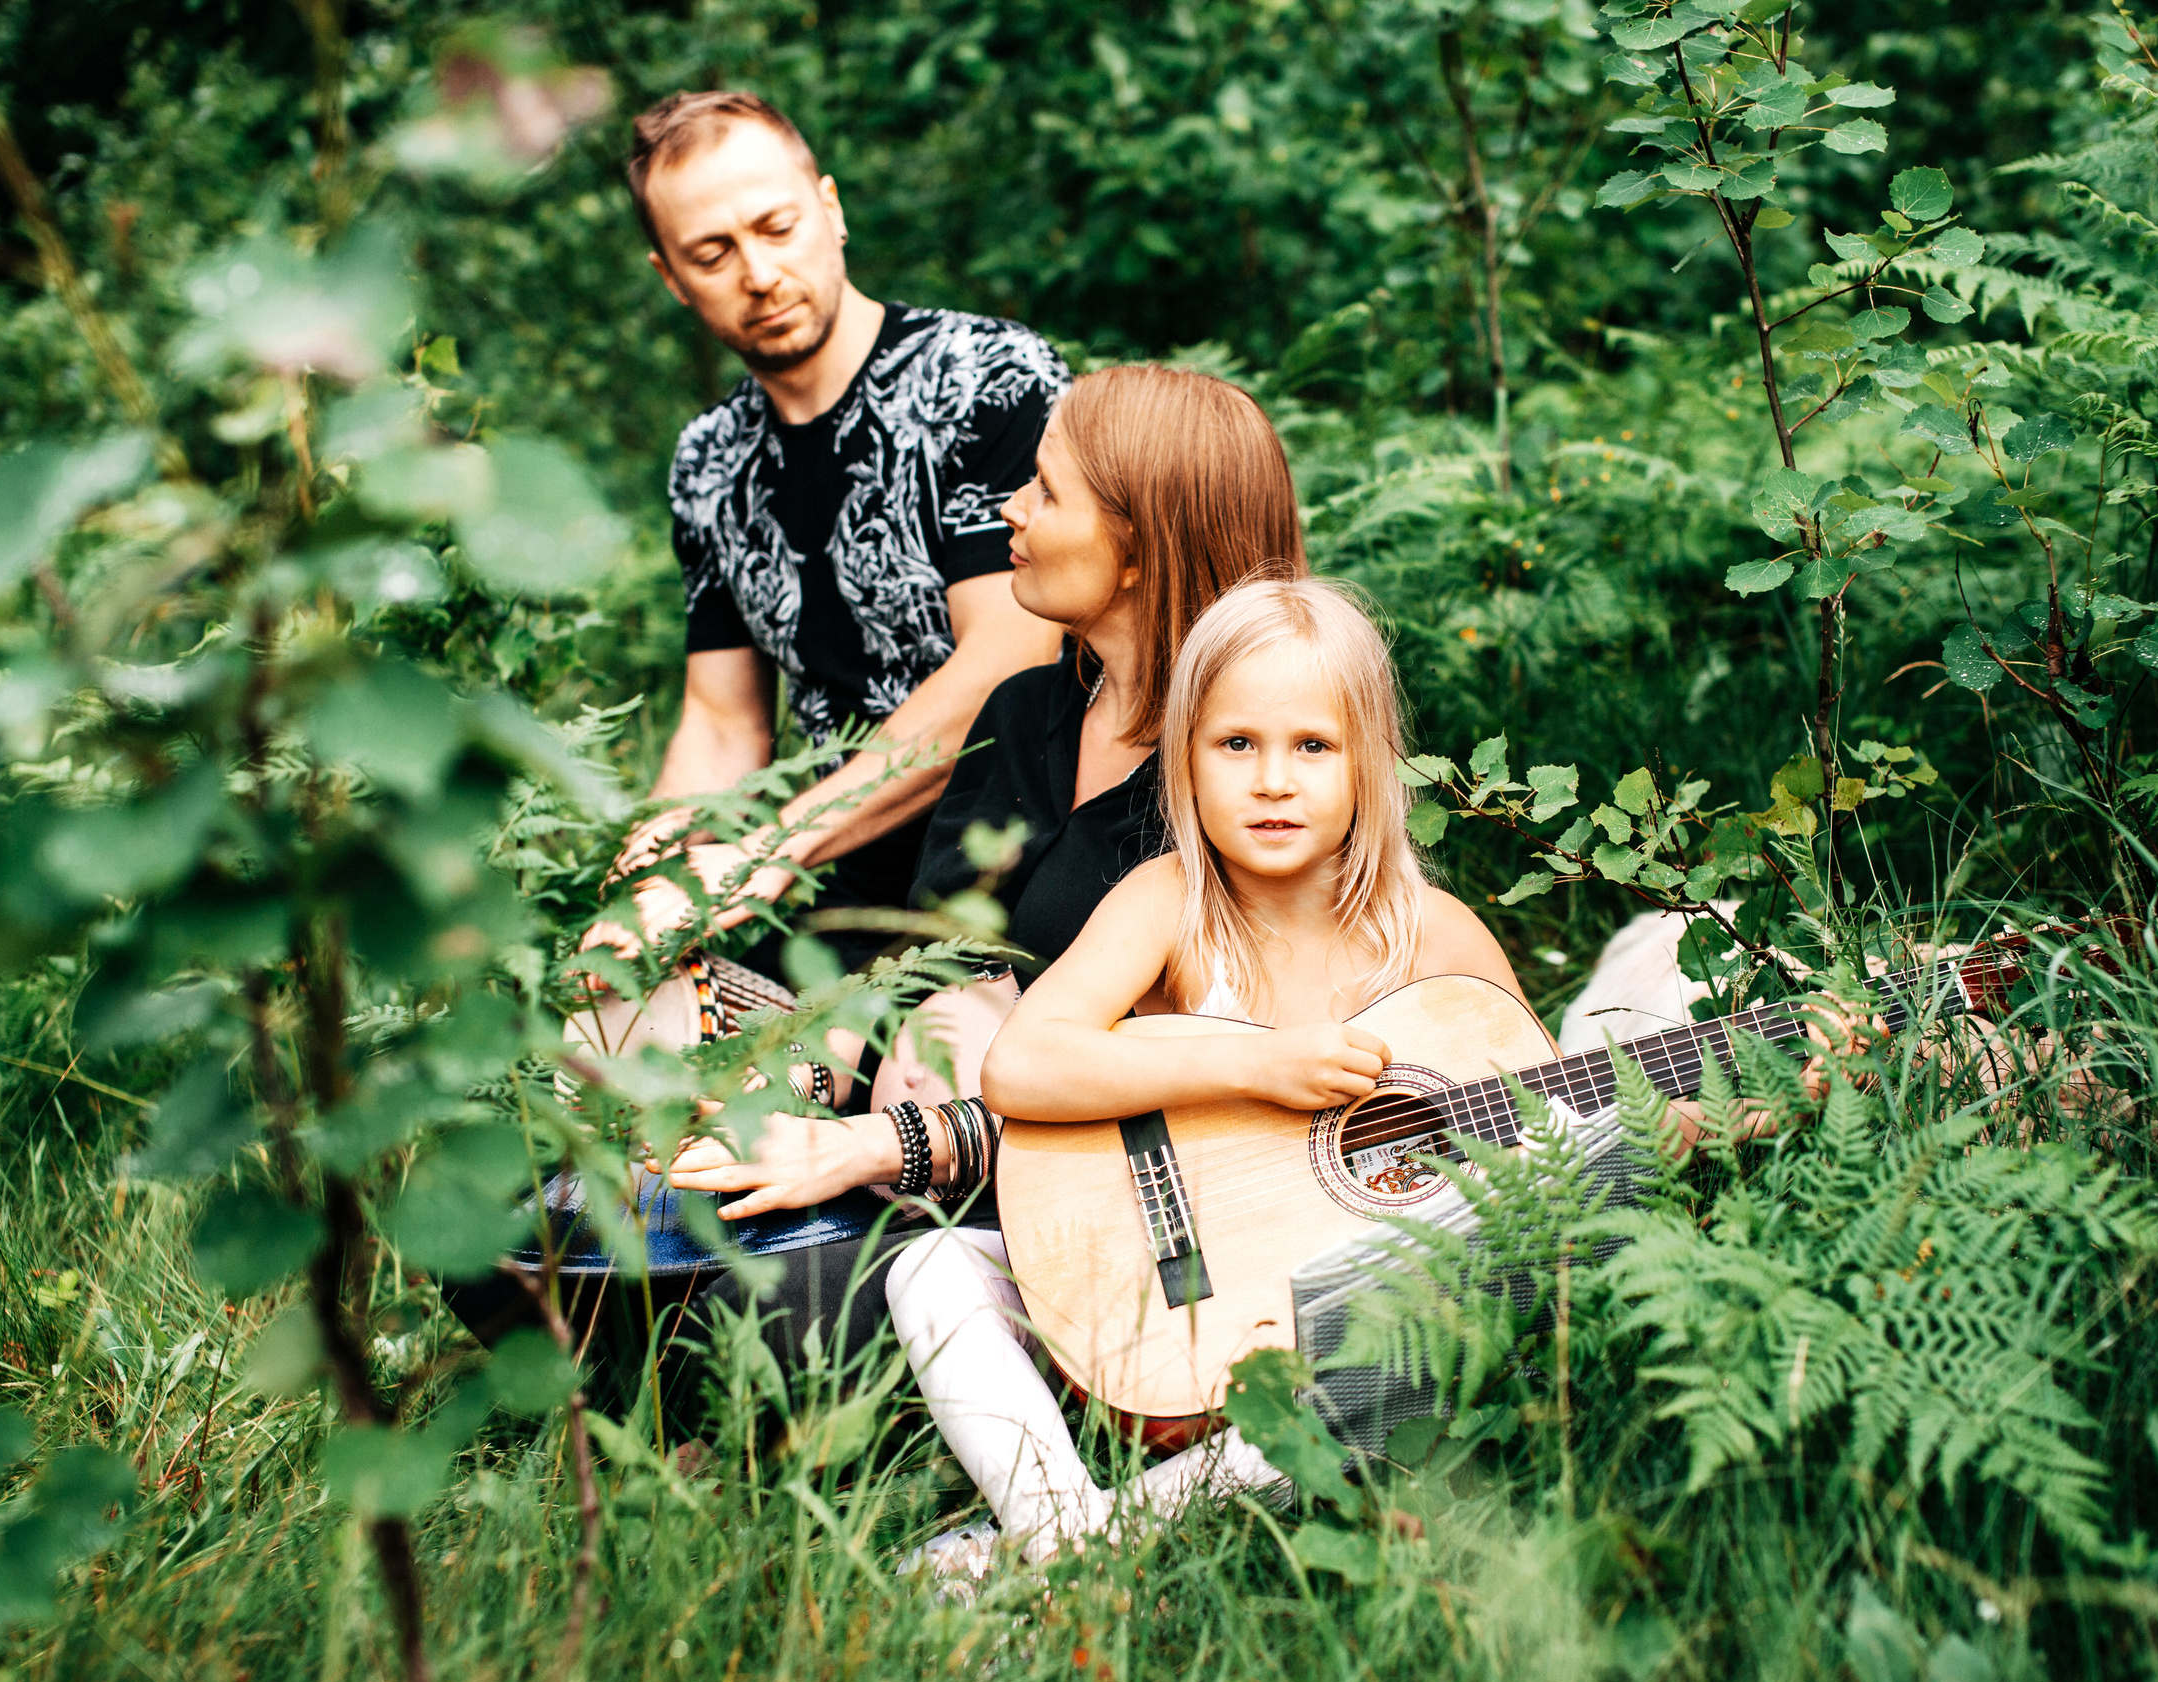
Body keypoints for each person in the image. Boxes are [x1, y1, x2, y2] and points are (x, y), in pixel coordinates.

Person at [649, 366, 1309, 1372]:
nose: (1011, 508)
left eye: (1047, 491)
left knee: (743, 1318)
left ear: (1138, 548)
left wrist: (882, 1144)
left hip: (1082, 1212)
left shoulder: (1249, 787)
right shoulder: (1023, 715)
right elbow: (923, 980)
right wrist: (780, 1079)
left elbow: (1192, 1101)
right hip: (892, 1152)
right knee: (590, 1199)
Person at [881, 578, 1529, 1573]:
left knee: (1383, 1371)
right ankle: (1065, 1538)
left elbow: (1554, 1134)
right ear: (1184, 758)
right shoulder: (1168, 901)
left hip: (1310, 1357)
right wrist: (1256, 1062)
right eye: (1236, 744)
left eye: (1312, 746)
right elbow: (1021, 1064)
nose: (1272, 781)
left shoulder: (1434, 939)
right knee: (930, 1269)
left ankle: (1065, 1555)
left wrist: (1713, 1119)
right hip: (1144, 1294)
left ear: (1369, 759)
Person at [581, 89, 1070, 1002]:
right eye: (713, 254)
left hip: (1026, 850)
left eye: (778, 227)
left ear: (831, 209)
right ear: (670, 277)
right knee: (622, 1028)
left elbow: (1007, 664)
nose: (760, 273)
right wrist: (644, 878)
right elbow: (723, 724)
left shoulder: (988, 378)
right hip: (832, 880)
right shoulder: (708, 460)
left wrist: (767, 851)